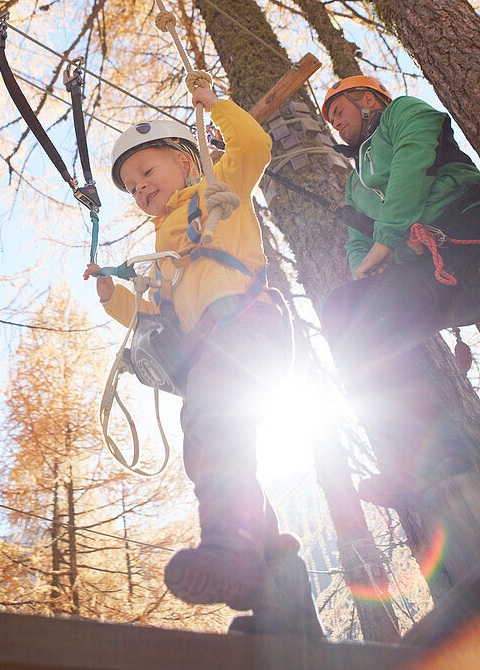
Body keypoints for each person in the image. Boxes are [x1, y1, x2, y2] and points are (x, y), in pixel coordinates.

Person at [85, 87, 321, 635]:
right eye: (133, 186)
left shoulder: (219, 188)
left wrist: (213, 105)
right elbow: (157, 321)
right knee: (220, 448)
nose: (142, 187)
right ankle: (283, 612)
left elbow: (256, 145)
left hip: (247, 325)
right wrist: (112, 297)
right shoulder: (164, 251)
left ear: (188, 159)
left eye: (148, 170)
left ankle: (231, 552)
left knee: (211, 424)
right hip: (214, 346)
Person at [321, 76, 480, 505]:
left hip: (468, 226)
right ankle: (433, 457)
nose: (334, 123)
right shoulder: (356, 185)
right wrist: (365, 269)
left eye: (338, 111)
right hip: (428, 271)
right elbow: (359, 245)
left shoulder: (405, 113)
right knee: (344, 310)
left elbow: (414, 162)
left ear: (368, 100)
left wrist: (385, 241)